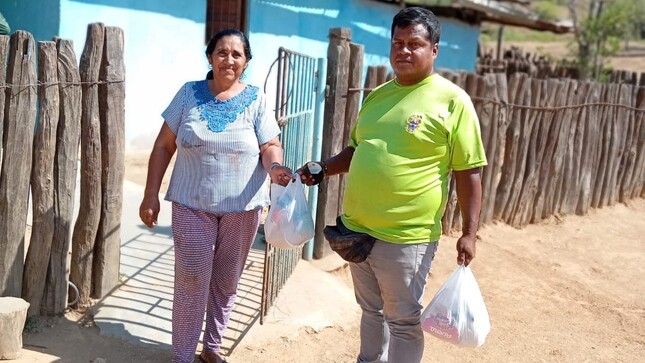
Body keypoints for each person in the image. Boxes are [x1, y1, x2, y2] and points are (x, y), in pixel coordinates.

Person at [299, 7, 487, 363]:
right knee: (370, 311)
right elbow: (358, 151)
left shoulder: (453, 101)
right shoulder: (378, 96)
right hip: (357, 228)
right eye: (397, 43)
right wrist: (323, 168)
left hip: (406, 236)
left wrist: (469, 232)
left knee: (401, 320)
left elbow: (469, 171)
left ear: (433, 50)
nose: (403, 50)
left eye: (414, 44)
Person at [139, 29, 293, 363]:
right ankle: (182, 355)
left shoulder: (257, 99)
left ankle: (211, 347)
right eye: (222, 52)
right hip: (192, 205)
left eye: (237, 54)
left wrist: (276, 168)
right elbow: (164, 145)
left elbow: (269, 145)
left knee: (226, 280)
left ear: (246, 61)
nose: (229, 59)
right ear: (210, 57)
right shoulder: (188, 94)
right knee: (192, 278)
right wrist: (150, 194)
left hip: (243, 207)